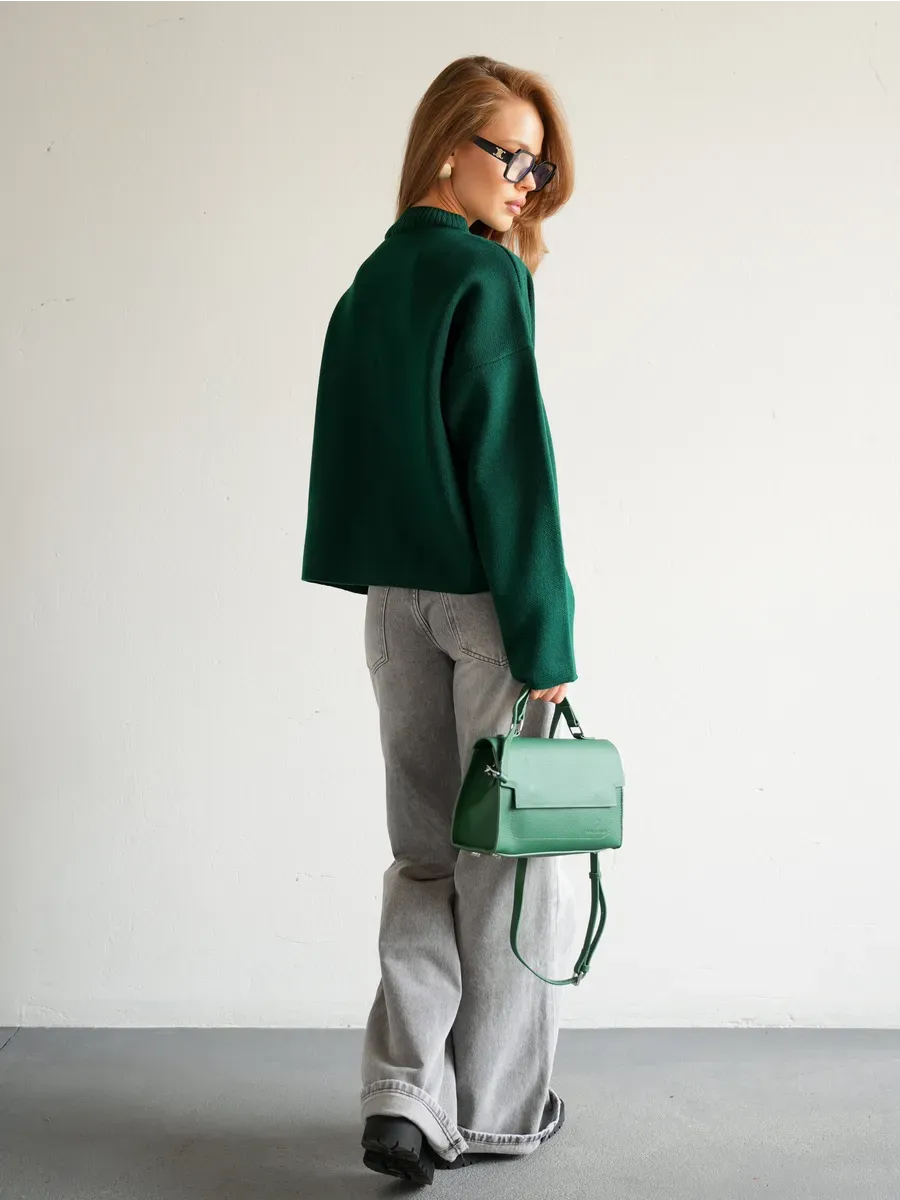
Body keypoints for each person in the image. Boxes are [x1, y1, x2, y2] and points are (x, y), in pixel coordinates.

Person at [301, 54, 579, 1186]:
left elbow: (351, 462)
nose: (525, 180)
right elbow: (512, 471)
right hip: (482, 608)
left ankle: (405, 1099)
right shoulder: (484, 278)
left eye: (535, 163)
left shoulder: (368, 284)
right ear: (446, 149)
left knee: (422, 857)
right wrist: (545, 638)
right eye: (509, 156)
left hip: (390, 608)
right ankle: (504, 1109)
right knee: (505, 862)